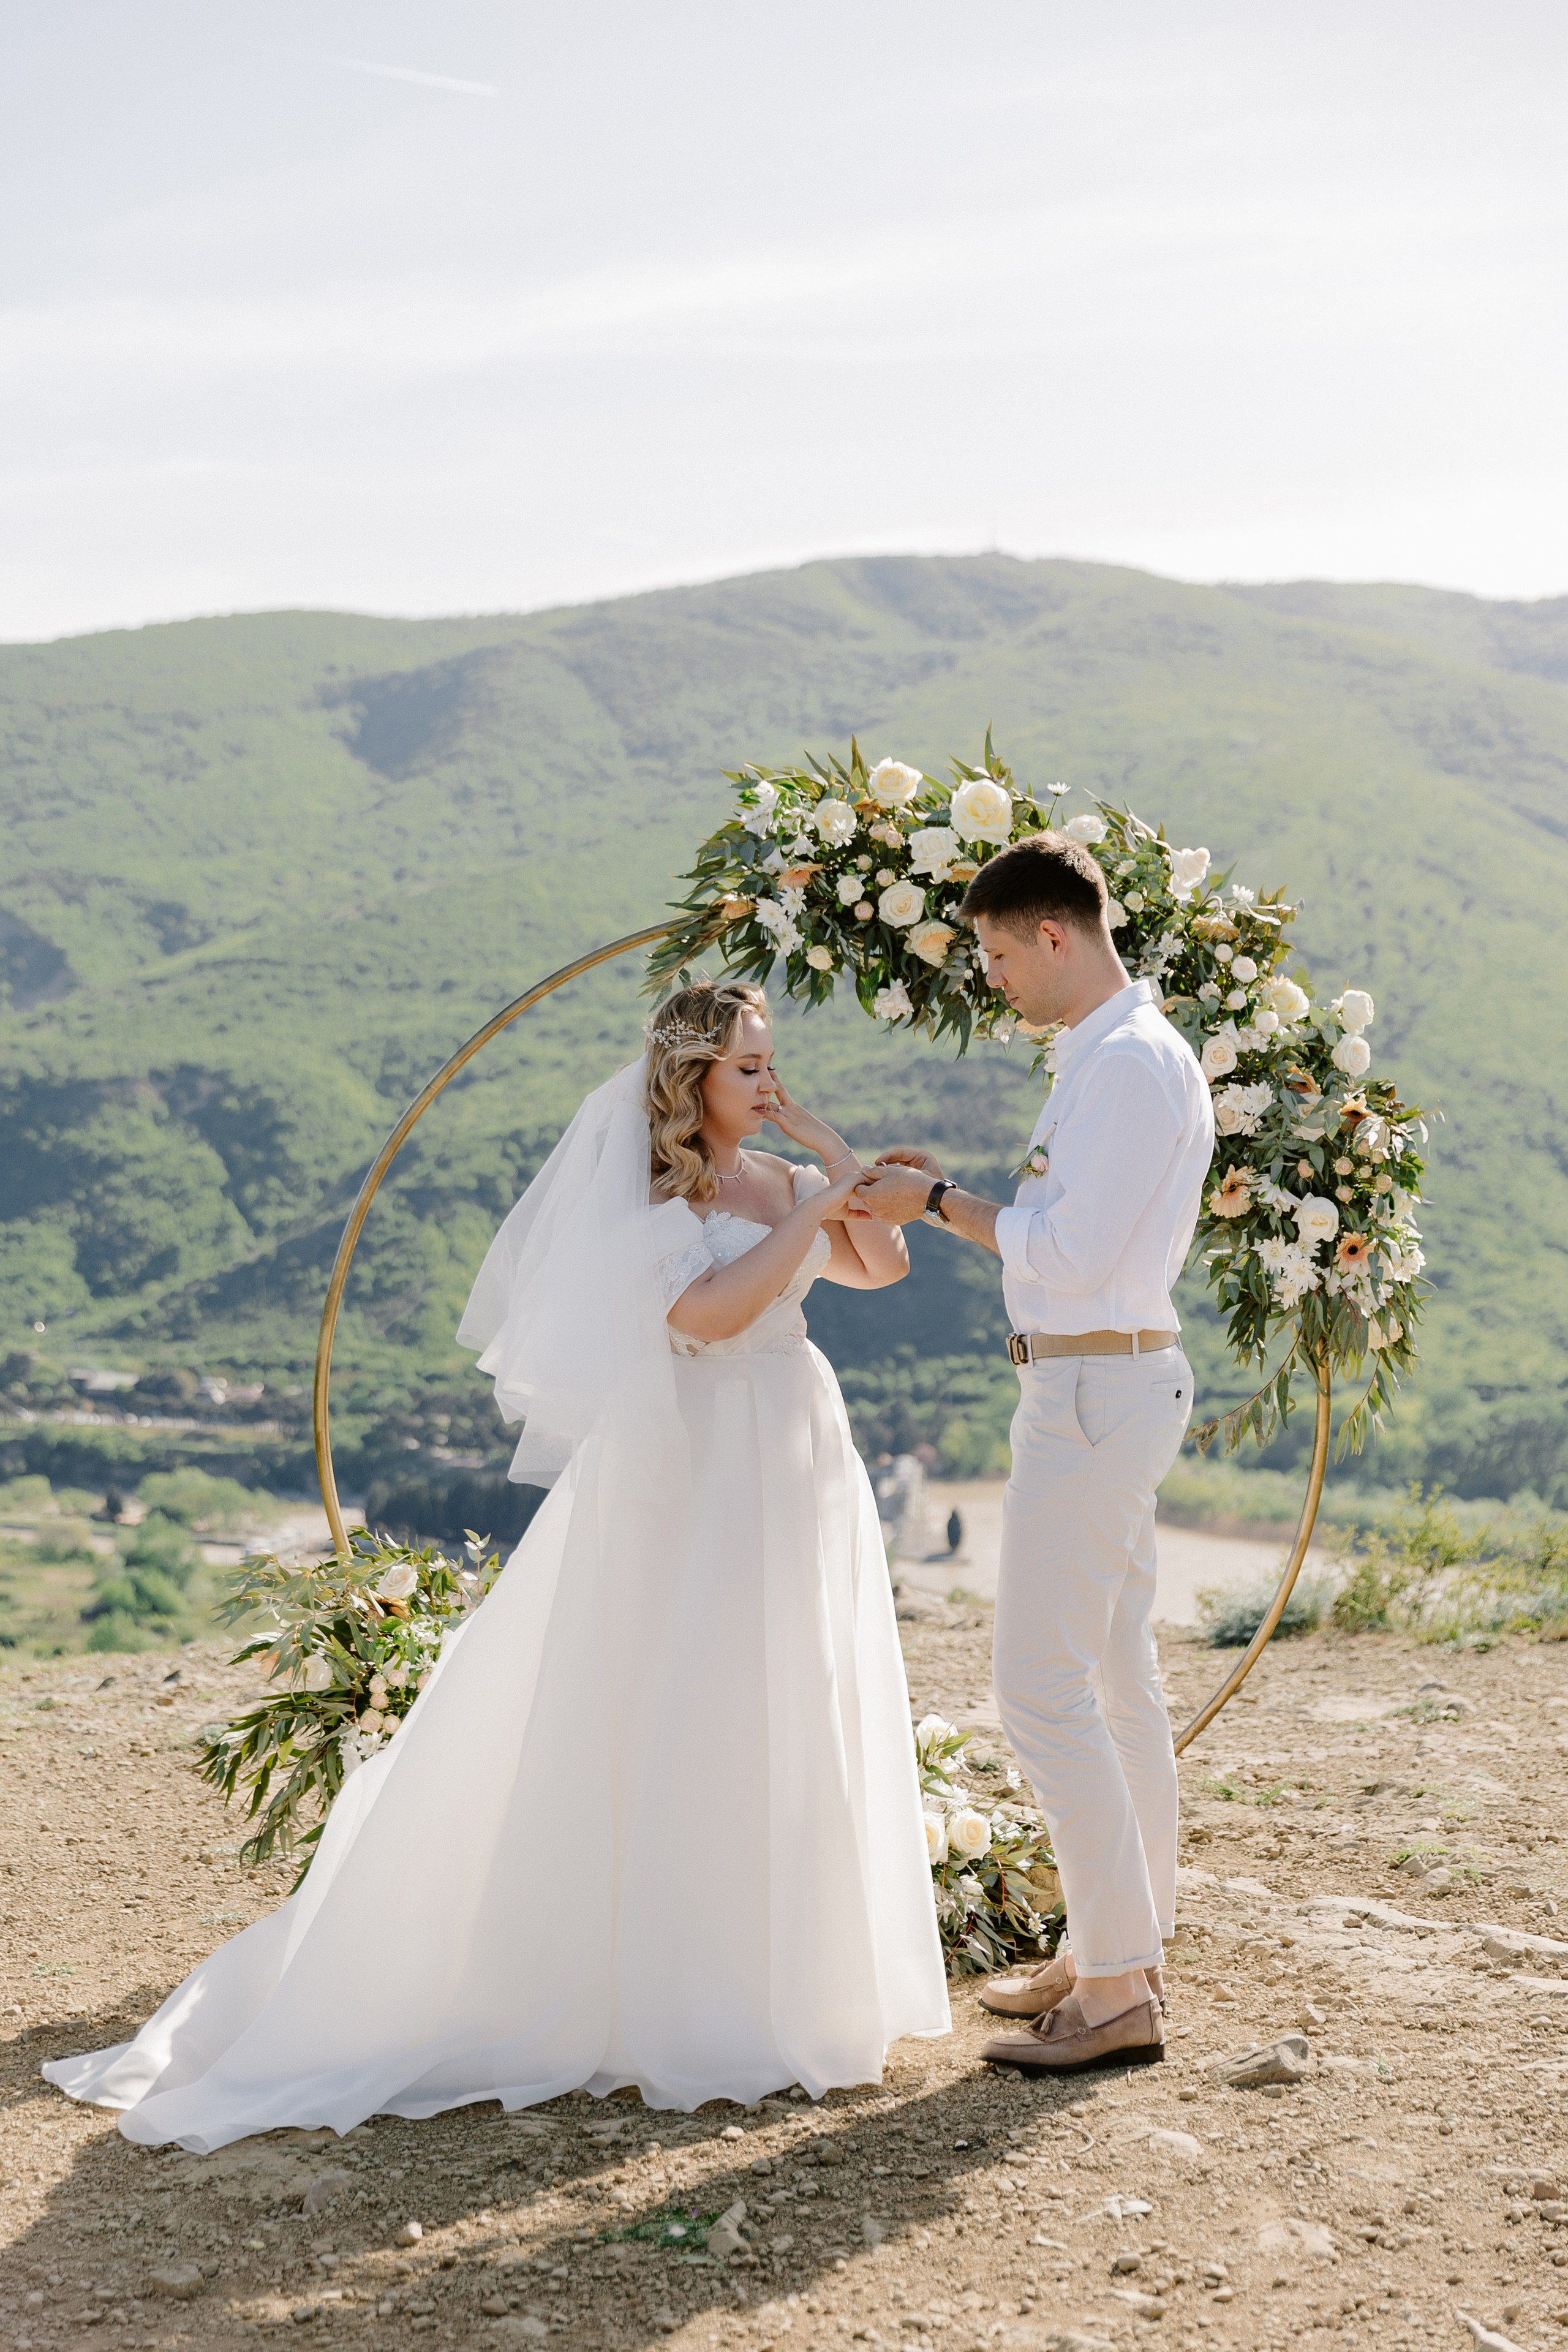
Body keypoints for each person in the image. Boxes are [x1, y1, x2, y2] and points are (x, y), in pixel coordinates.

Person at [43, 979, 949, 2149]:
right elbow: (714, 1313)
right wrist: (811, 1208)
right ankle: (665, 1989)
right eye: (746, 1069)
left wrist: (826, 1157)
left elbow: (881, 1269)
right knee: (684, 1692)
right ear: (689, 1079)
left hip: (794, 1450)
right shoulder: (649, 1191)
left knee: (789, 1689)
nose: (766, 1084)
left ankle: (788, 1978)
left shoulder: (785, 1176)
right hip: (695, 1464)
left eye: (772, 1063)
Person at [853, 833, 1213, 2075]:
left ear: (1053, 936)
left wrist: (936, 1201)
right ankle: (1116, 1941)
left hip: (1092, 1394)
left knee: (1040, 1690)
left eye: (1001, 954)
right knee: (1114, 1688)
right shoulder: (1109, 1058)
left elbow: (1059, 1255)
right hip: (1094, 1382)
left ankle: (1117, 1992)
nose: (993, 977)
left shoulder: (1124, 1067)